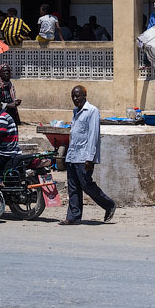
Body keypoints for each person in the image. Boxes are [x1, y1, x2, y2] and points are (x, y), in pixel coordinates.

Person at [59, 85, 117, 225]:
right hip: (73, 155)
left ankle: (108, 204)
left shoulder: (92, 111)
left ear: (85, 96)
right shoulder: (75, 111)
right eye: (73, 96)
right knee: (73, 187)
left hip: (84, 156)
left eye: (78, 96)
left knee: (86, 185)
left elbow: (93, 136)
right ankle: (73, 217)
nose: (75, 99)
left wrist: (90, 158)